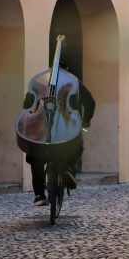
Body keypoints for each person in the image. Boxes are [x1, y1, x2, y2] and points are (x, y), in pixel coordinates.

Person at [23, 58, 95, 204]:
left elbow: (27, 104)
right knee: (76, 146)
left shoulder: (40, 82)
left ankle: (39, 195)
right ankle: (68, 169)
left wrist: (32, 117)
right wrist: (85, 121)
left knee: (35, 154)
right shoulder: (73, 81)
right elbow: (90, 102)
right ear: (66, 70)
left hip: (42, 128)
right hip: (65, 130)